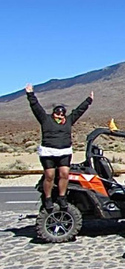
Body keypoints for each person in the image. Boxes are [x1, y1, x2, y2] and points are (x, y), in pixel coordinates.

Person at [26, 83, 93, 212]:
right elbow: (36, 108)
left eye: (62, 114)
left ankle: (62, 197)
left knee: (64, 173)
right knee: (50, 175)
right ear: (53, 113)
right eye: (57, 114)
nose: (59, 116)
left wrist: (88, 100)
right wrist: (30, 94)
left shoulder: (68, 120)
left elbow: (79, 111)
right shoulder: (45, 119)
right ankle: (48, 198)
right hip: (48, 152)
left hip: (64, 151)